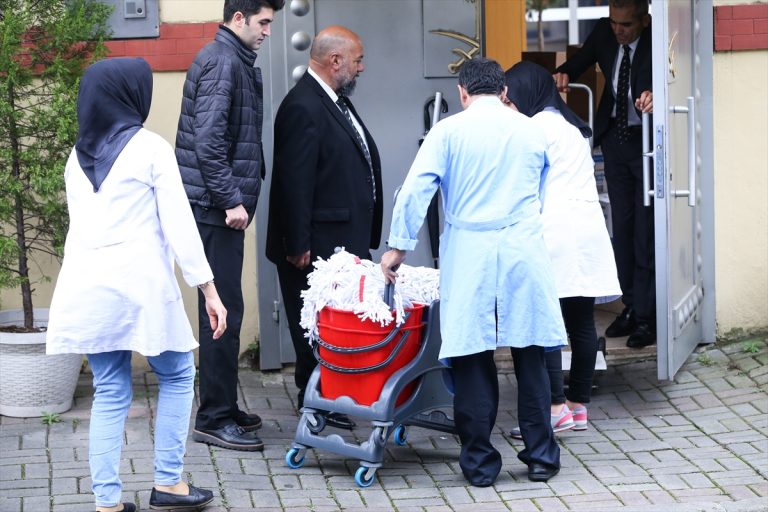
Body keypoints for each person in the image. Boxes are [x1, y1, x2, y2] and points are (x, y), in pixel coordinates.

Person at [46, 58, 227, 512]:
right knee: (179, 374)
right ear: (130, 95)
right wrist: (208, 289)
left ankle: (107, 503)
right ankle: (168, 483)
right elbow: (180, 225)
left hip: (88, 287)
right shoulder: (149, 148)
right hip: (139, 287)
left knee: (110, 389)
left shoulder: (75, 158)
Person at [380, 58, 566, 486]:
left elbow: (416, 190)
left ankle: (480, 464)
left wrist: (398, 247)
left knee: (472, 355)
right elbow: (540, 189)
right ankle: (541, 456)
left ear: (462, 93)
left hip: (470, 248)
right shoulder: (531, 130)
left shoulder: (448, 132)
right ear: (504, 92)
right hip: (522, 245)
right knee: (531, 351)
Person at [175, 0, 284, 451]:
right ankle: (213, 418)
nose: (267, 32)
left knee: (225, 309)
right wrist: (231, 200)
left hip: (214, 206)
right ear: (238, 18)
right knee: (221, 312)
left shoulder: (230, 57)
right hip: (214, 208)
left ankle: (222, 405)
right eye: (263, 22)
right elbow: (208, 140)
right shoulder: (222, 62)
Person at [265, 26, 383, 431]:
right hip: (316, 244)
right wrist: (297, 243)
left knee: (335, 323)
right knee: (316, 326)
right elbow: (293, 182)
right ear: (335, 61)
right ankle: (316, 400)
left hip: (340, 240)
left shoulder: (333, 100)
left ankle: (328, 396)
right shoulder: (303, 106)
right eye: (357, 60)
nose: (361, 67)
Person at [503, 61, 622, 438]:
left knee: (547, 324)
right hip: (587, 230)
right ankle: (577, 406)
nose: (508, 106)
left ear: (527, 92)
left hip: (553, 231)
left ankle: (554, 408)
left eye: (510, 98)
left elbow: (522, 185)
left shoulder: (534, 129)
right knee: (582, 322)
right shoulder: (572, 126)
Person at [553, 0, 655, 348]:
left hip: (648, 142)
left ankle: (648, 316)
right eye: (614, 23)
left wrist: (657, 95)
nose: (618, 31)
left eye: (626, 25)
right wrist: (564, 73)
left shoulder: (658, 38)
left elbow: (677, 76)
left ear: (644, 21)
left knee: (646, 230)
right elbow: (577, 63)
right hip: (615, 141)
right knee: (622, 229)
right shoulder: (603, 32)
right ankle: (631, 306)